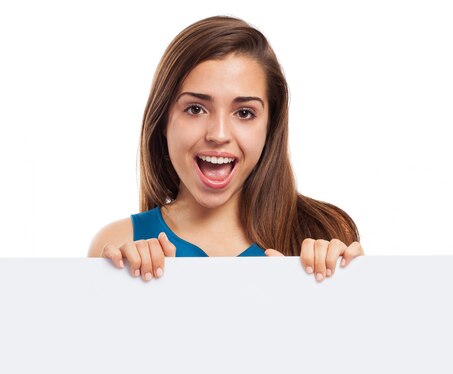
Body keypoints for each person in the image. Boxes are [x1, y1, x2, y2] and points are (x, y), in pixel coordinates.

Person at [87, 15, 364, 282]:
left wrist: (340, 290)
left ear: (270, 127)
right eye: (195, 109)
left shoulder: (324, 235)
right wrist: (125, 290)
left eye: (244, 113)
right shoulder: (118, 244)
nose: (218, 134)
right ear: (163, 120)